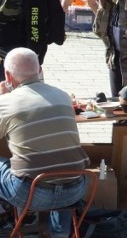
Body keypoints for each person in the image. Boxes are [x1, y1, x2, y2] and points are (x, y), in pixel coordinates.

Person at [0, 47, 90, 236]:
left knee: (8, 165)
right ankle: (60, 234)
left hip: (31, 194)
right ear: (40, 70)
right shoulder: (63, 96)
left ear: (8, 76)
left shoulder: (7, 102)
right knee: (57, 168)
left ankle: (8, 220)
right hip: (76, 189)